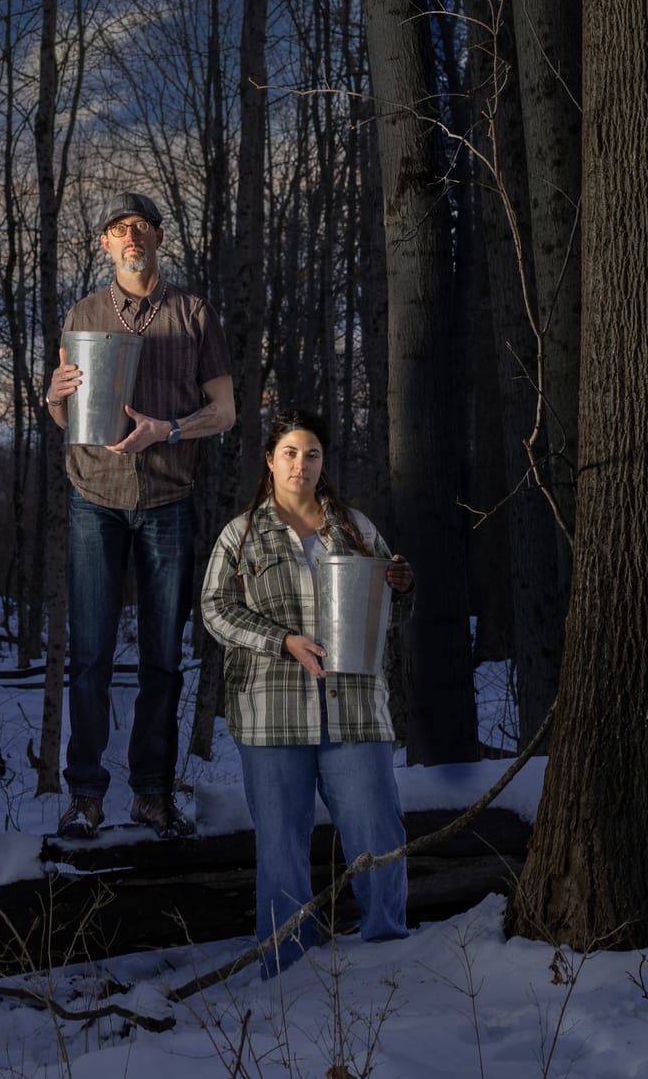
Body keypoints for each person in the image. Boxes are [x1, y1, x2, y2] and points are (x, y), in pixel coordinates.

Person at [45, 190, 235, 841]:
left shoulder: (192, 314)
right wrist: (52, 398)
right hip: (93, 498)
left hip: (166, 502)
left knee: (162, 658)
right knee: (91, 655)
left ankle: (153, 794)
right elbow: (68, 416)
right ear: (105, 242)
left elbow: (225, 410)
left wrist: (170, 428)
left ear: (158, 238)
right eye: (120, 230)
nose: (133, 238)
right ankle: (85, 796)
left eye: (143, 228)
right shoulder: (84, 313)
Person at [199, 407, 414, 974]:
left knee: (377, 831)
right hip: (271, 715)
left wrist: (401, 585)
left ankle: (390, 953)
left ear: (323, 463)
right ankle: (286, 963)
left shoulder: (356, 529)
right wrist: (281, 640)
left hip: (354, 712)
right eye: (289, 453)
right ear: (270, 461)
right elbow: (215, 612)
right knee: (281, 845)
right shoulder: (240, 535)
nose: (300, 463)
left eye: (311, 454)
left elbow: (387, 612)